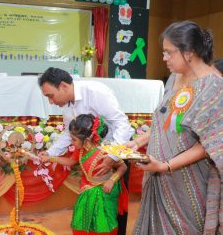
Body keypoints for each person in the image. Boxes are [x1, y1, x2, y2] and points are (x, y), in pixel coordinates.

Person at [128, 21, 223, 234]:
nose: (164, 58)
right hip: (157, 173)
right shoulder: (174, 78)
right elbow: (165, 122)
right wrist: (136, 142)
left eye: (169, 53)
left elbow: (209, 145)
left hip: (186, 181)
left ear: (189, 52)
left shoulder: (214, 86)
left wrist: (166, 166)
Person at [40, 114, 127, 235]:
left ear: (86, 140)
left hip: (105, 192)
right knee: (82, 222)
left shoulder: (105, 150)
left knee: (103, 225)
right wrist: (50, 158)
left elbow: (123, 166)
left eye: (74, 139)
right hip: (87, 190)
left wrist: (112, 180)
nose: (71, 142)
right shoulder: (80, 150)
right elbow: (70, 162)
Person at [38, 67, 133, 175]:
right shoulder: (66, 104)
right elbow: (69, 134)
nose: (50, 102)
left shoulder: (95, 92)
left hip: (116, 148)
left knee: (115, 188)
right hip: (94, 154)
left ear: (64, 86)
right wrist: (50, 153)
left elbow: (122, 124)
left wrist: (113, 155)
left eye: (51, 96)